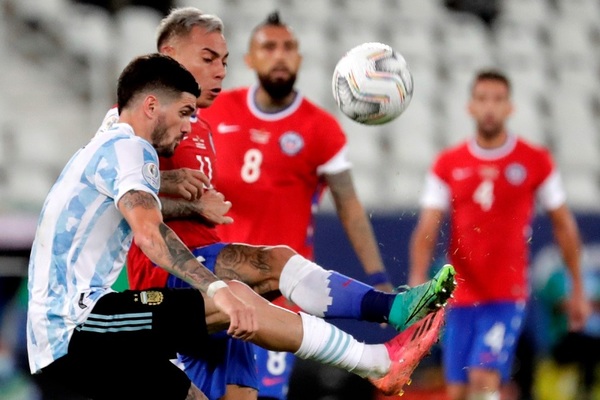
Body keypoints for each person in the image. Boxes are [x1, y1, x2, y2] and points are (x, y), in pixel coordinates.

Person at [26, 52, 449, 400]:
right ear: (152, 106)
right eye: (186, 112)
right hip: (76, 324)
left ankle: (378, 355)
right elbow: (150, 232)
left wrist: (170, 184)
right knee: (236, 294)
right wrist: (216, 291)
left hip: (71, 333)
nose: (191, 125)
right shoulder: (130, 147)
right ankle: (375, 362)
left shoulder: (107, 145)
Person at [201, 11, 398, 399]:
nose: (280, 56)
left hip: (280, 295)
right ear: (250, 59)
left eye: (288, 47)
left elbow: (349, 206)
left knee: (265, 395)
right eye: (269, 47)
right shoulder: (217, 111)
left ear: (300, 59)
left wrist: (377, 277)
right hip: (215, 287)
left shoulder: (319, 128)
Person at [408, 69, 591, 400]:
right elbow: (427, 228)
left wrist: (577, 287)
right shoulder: (448, 163)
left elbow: (563, 224)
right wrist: (418, 280)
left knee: (484, 376)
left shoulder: (535, 161)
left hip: (506, 294)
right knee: (457, 390)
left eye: (497, 99)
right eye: (482, 99)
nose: (489, 107)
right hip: (460, 295)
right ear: (470, 107)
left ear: (510, 108)